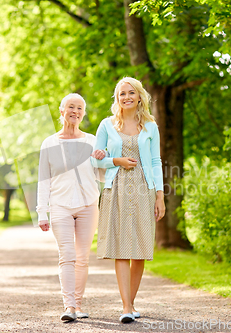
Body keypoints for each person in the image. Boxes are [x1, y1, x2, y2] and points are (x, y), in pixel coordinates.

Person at [91, 77, 165, 324]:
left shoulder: (150, 126)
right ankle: (126, 306)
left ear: (139, 95)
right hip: (117, 189)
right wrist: (115, 160)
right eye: (122, 93)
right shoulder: (107, 125)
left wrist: (160, 196)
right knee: (122, 249)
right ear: (117, 98)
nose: (126, 97)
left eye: (131, 92)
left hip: (144, 189)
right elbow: (95, 159)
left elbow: (155, 162)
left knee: (140, 250)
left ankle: (130, 303)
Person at [36, 93, 106, 322]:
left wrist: (101, 158)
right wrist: (41, 212)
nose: (75, 111)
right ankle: (69, 307)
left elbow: (101, 176)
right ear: (61, 110)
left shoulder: (92, 140)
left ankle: (77, 304)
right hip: (60, 206)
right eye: (71, 107)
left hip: (88, 205)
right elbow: (43, 179)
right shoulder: (49, 143)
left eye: (79, 108)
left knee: (82, 257)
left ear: (83, 113)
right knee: (66, 255)